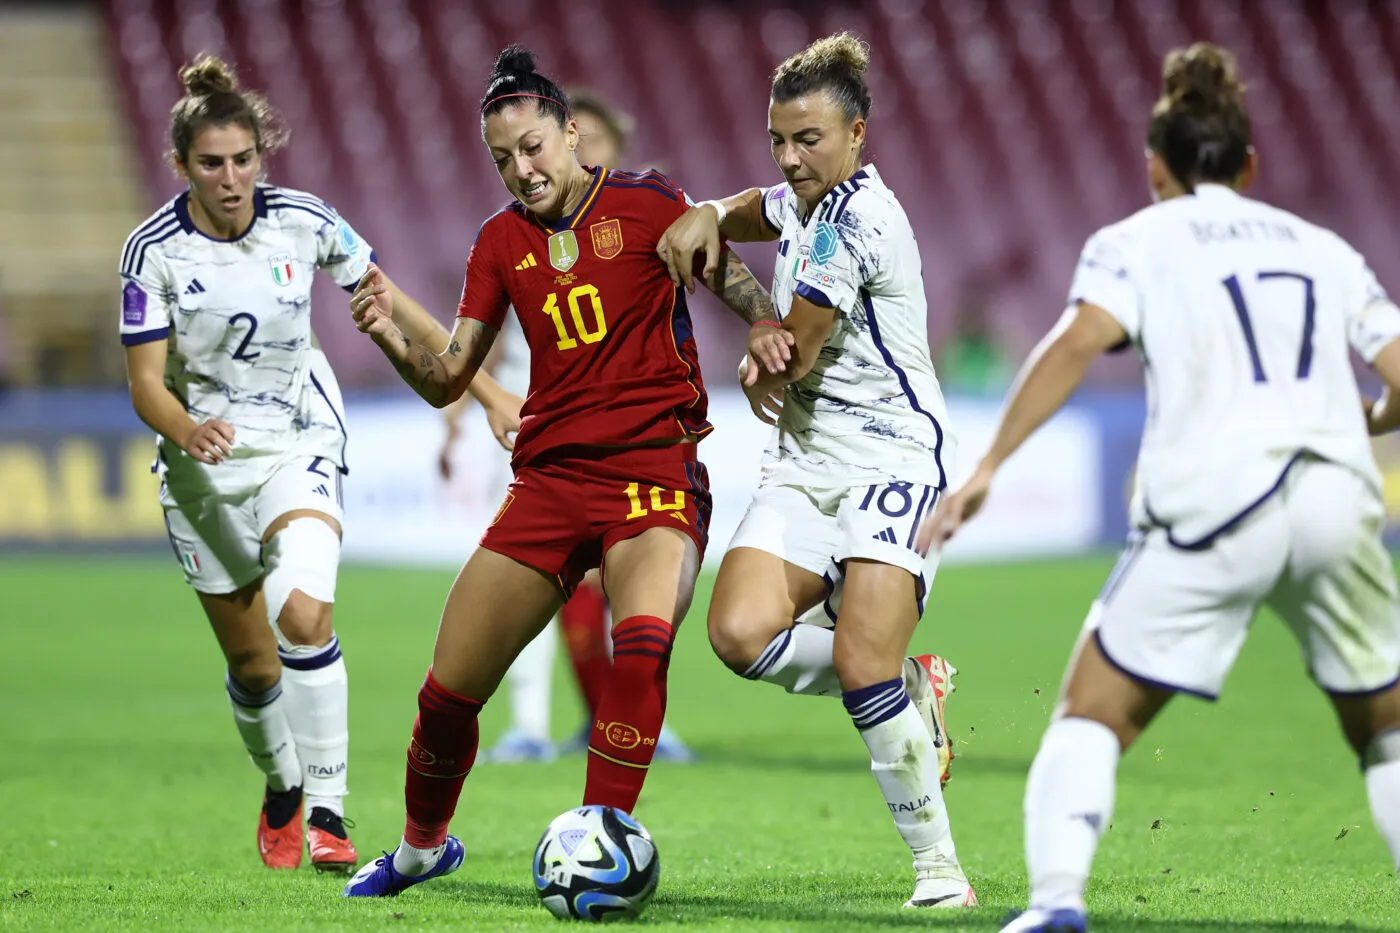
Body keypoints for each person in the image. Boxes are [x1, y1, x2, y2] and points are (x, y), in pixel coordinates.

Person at [916, 44, 1400, 933]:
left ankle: (1058, 903)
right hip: (1336, 498)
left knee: (1091, 711)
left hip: (1217, 499)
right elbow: (1399, 370)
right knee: (1386, 730)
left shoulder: (1135, 242)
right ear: (1250, 164)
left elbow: (1072, 344)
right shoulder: (1323, 248)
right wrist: (1371, 417)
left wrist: (988, 467)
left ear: (1154, 166)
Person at [341, 45, 779, 897]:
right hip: (549, 482)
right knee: (447, 693)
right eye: (502, 158)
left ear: (573, 132)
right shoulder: (499, 242)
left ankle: (599, 840)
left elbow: (732, 279)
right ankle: (422, 847)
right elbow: (448, 376)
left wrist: (765, 324)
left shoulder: (650, 202)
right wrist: (390, 335)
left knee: (641, 643)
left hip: (654, 470)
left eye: (534, 146)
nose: (521, 168)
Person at [118, 54, 521, 875]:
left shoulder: (304, 220)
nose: (230, 179)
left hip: (299, 436)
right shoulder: (151, 251)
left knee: (303, 614)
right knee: (252, 662)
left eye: (243, 160)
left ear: (262, 155)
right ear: (181, 166)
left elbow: (392, 295)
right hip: (202, 467)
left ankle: (331, 813)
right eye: (210, 164)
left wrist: (479, 390)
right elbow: (145, 385)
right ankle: (282, 786)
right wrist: (188, 427)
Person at [657, 32, 975, 910]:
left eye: (811, 141)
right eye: (780, 140)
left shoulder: (858, 218)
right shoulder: (801, 198)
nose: (793, 159)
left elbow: (790, 352)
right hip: (803, 463)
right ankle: (914, 684)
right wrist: (712, 210)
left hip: (893, 457)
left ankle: (939, 872)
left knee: (860, 661)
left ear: (858, 136)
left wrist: (736, 304)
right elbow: (756, 206)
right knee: (738, 634)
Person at [440, 90, 694, 765]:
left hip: (626, 438)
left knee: (621, 589)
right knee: (538, 585)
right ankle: (530, 721)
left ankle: (615, 716)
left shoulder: (633, 219)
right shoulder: (512, 237)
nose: (526, 168)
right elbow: (481, 344)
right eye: (508, 157)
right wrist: (459, 419)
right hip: (528, 428)